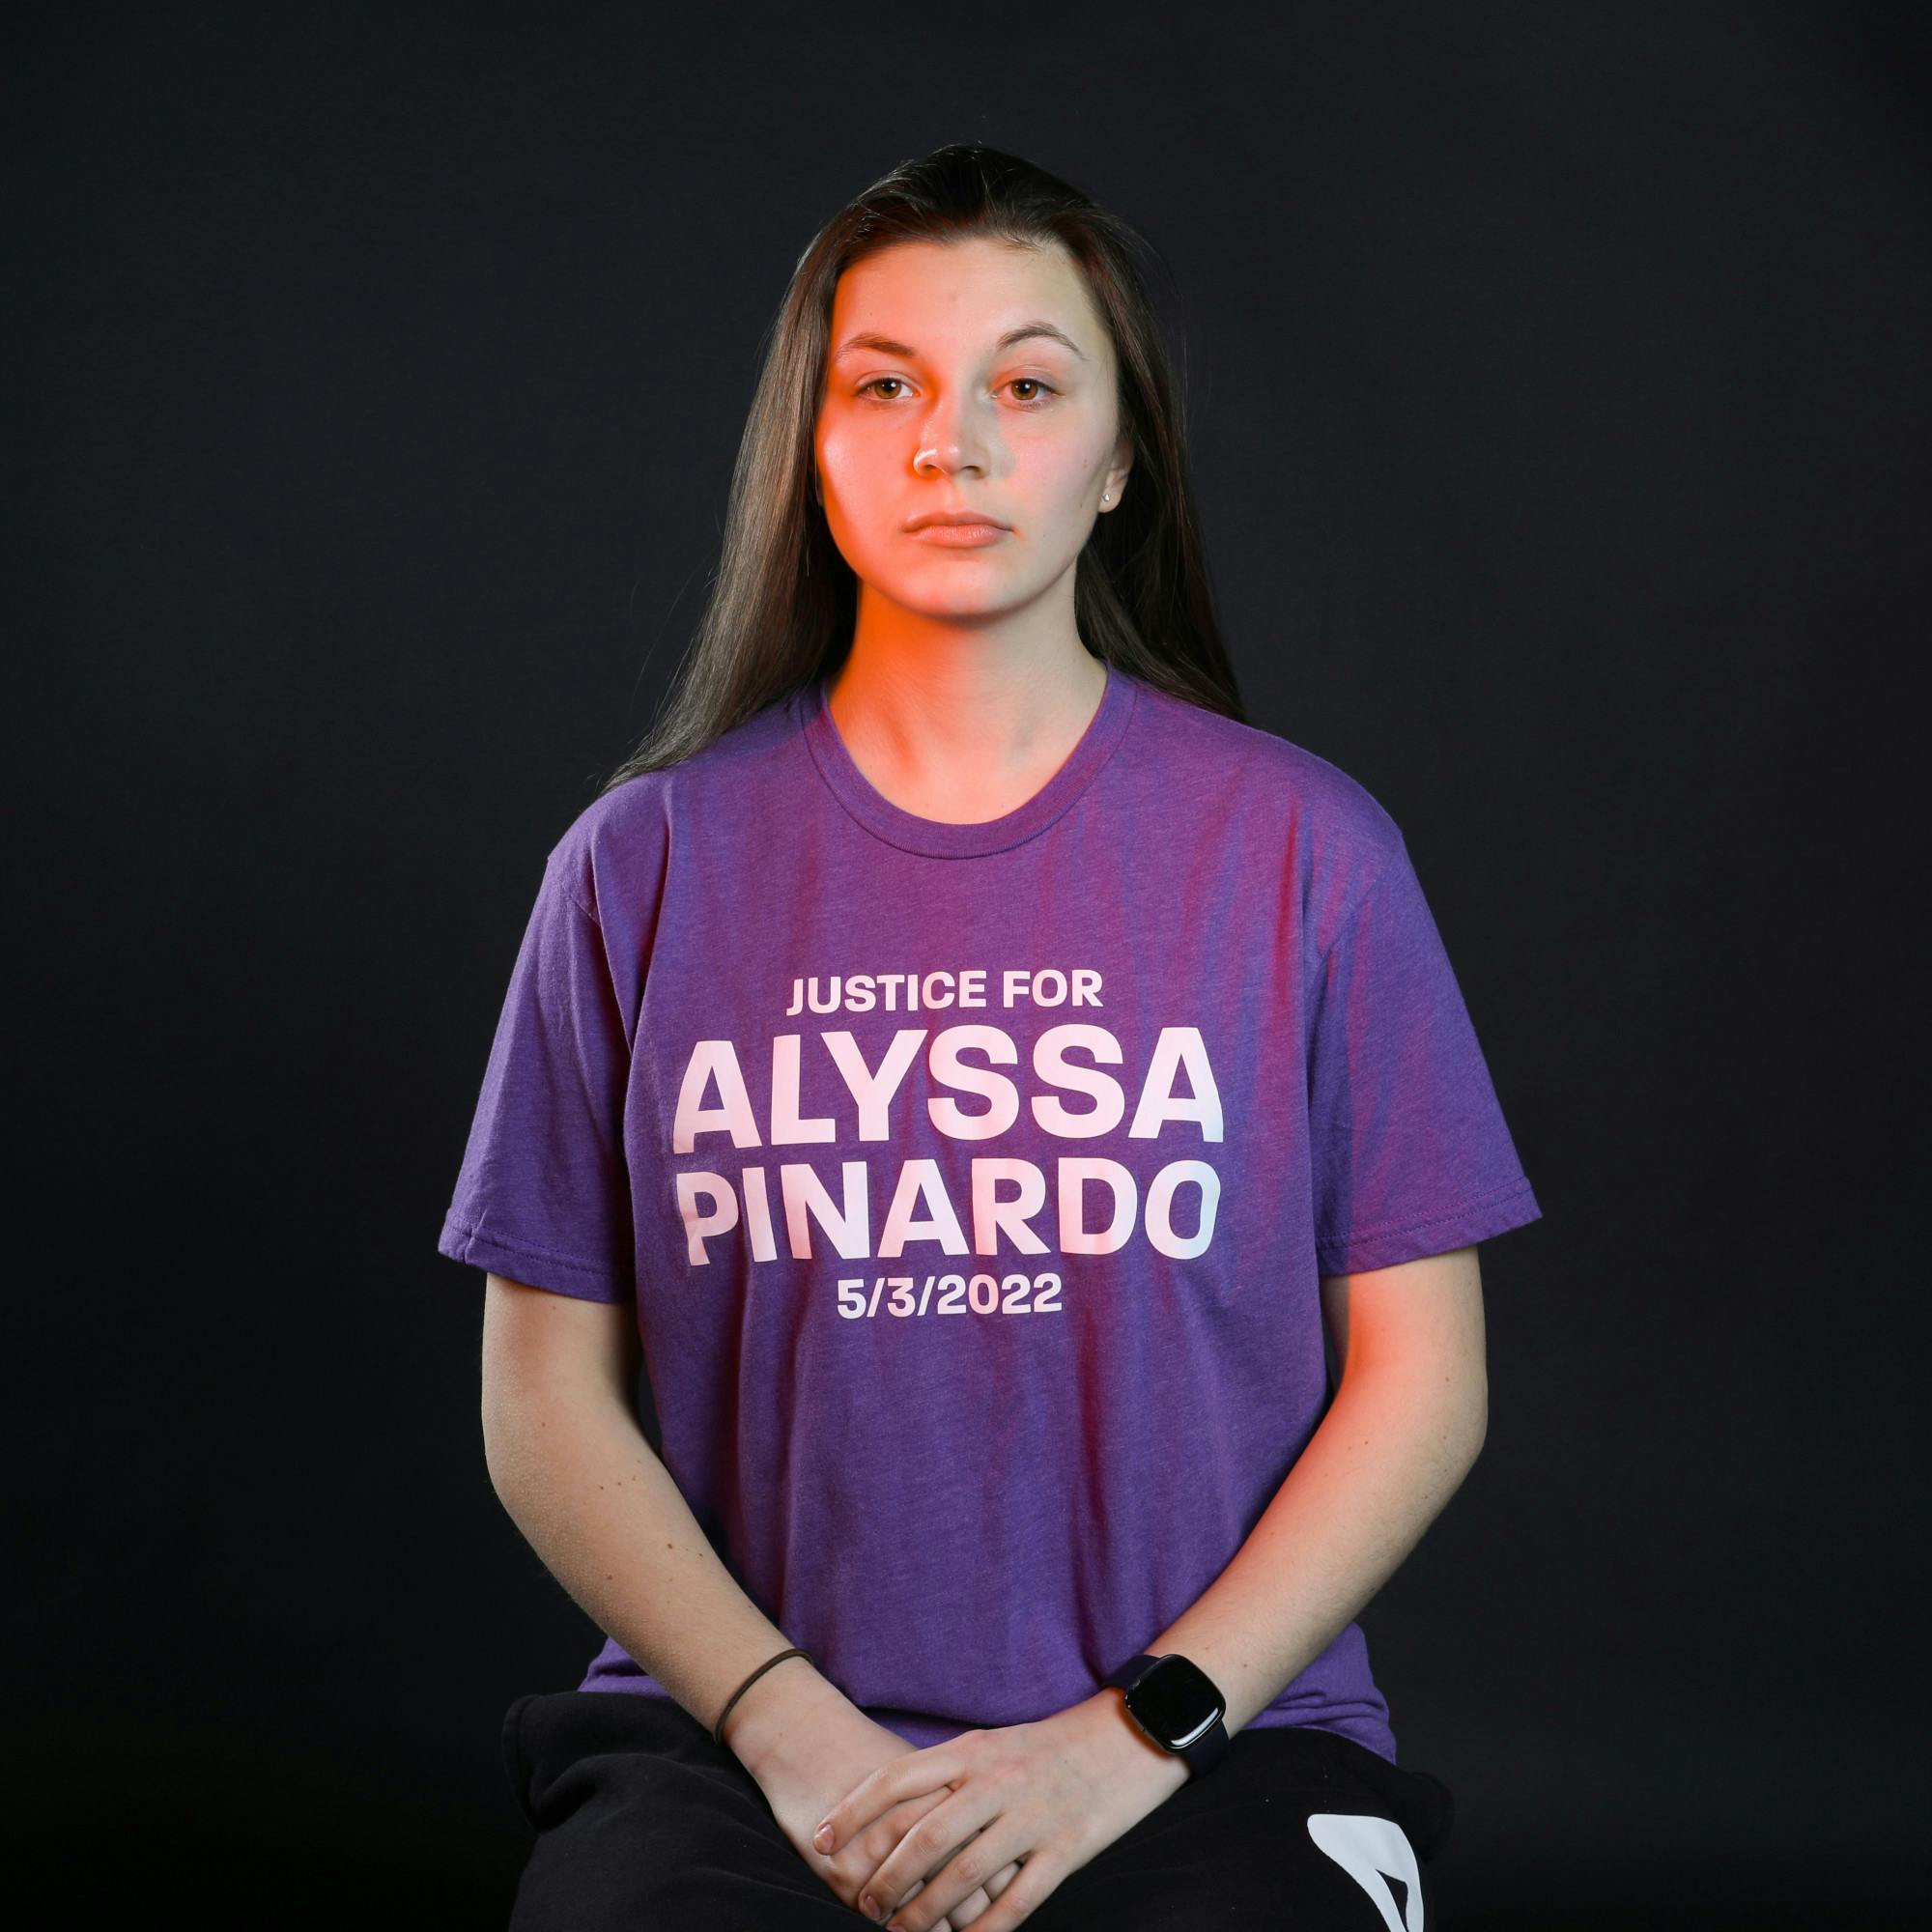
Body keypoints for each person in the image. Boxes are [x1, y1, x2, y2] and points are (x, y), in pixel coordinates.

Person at [439, 141, 1542, 1931]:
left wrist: (1132, 1736)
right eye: (885, 384)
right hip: (741, 1750)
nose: (952, 439)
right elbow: (542, 1402)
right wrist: (798, 1736)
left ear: (1119, 461)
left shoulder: (1306, 855)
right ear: (812, 444)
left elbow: (1427, 1381)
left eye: (1028, 384)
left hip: (1221, 1741)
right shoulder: (636, 869)